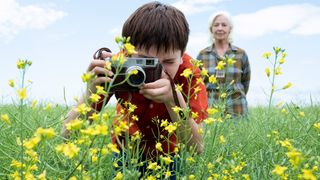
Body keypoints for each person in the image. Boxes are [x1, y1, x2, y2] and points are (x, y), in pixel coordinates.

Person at [61, 1, 208, 178]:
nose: (157, 71)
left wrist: (174, 99)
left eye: (168, 62)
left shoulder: (190, 72)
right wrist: (91, 92)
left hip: (170, 154)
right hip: (125, 150)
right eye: (145, 62)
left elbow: (197, 148)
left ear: (182, 53)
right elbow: (68, 134)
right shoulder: (116, 67)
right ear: (126, 52)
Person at [197, 12, 250, 117]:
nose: (220, 28)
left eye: (224, 25)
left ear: (230, 29)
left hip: (237, 110)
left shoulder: (240, 54)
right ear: (211, 29)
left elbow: (245, 83)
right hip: (211, 112)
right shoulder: (202, 55)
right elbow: (198, 84)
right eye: (216, 25)